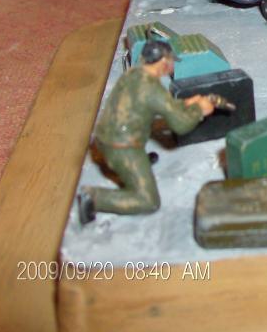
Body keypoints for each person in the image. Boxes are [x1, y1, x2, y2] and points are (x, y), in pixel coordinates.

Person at [77, 40, 214, 224]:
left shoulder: (134, 74)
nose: (172, 66)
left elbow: (150, 105)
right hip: (121, 147)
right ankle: (93, 198)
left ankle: (138, 162)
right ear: (163, 62)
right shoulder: (152, 89)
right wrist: (200, 110)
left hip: (105, 137)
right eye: (171, 62)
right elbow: (180, 125)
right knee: (148, 201)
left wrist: (185, 104)